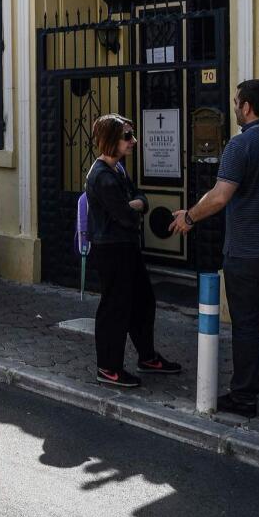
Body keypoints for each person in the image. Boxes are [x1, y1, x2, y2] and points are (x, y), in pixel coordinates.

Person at [169, 79, 259, 418]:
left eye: (236, 103)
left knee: (246, 325)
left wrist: (189, 215)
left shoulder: (240, 146)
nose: (234, 108)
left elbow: (219, 196)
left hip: (247, 251)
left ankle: (244, 396)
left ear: (246, 106)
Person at [86, 114, 182, 388]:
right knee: (115, 307)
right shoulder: (103, 177)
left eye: (132, 135)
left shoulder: (118, 170)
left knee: (142, 301)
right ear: (110, 140)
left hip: (126, 246)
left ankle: (147, 357)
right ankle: (108, 367)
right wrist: (135, 205)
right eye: (127, 136)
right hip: (111, 248)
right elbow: (127, 216)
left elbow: (140, 199)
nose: (134, 141)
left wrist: (136, 203)